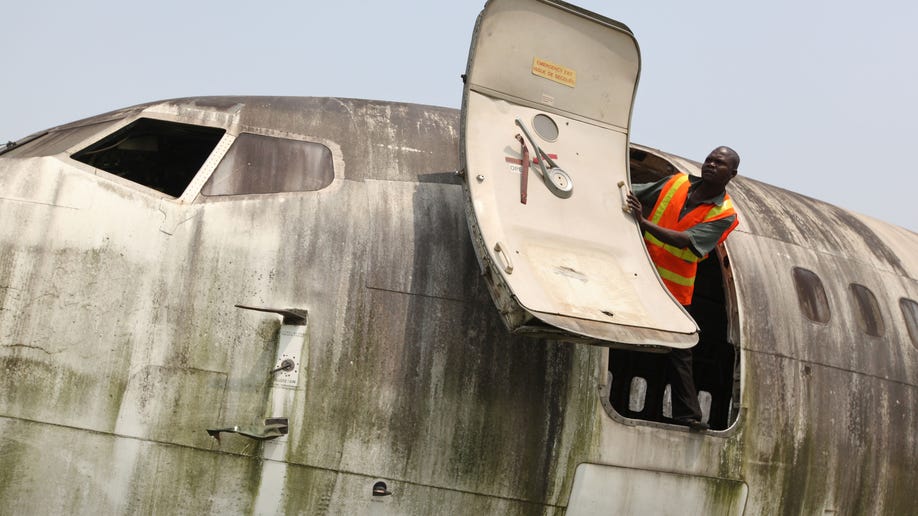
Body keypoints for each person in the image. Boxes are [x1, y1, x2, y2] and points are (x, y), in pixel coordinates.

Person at [625, 146, 740, 431]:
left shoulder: (725, 214)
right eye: (710, 159)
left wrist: (643, 222)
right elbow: (634, 190)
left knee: (681, 348)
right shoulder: (676, 182)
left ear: (732, 174)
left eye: (720, 163)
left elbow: (686, 241)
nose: (711, 164)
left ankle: (688, 414)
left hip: (674, 287)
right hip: (641, 272)